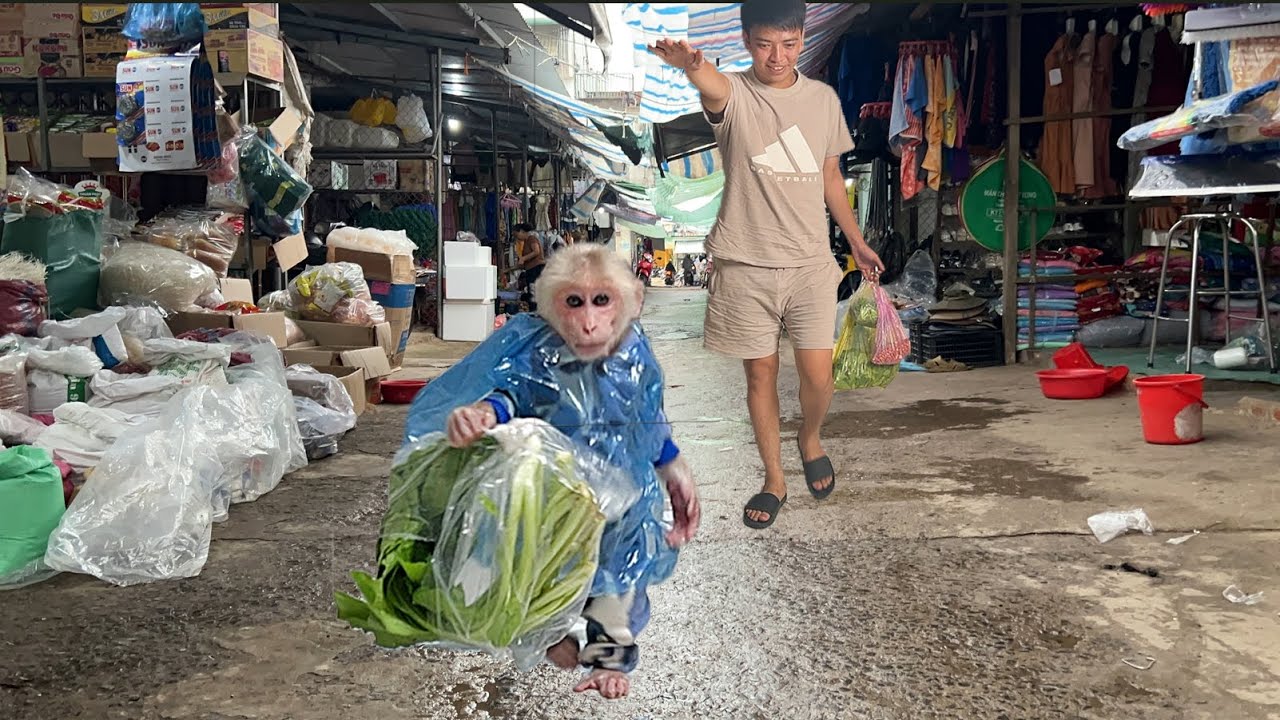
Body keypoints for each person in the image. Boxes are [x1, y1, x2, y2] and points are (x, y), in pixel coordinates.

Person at [412, 244, 700, 700]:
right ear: (549, 309)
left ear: (632, 303)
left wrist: (675, 471)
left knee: (619, 576)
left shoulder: (637, 354)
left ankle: (608, 657)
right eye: (574, 302)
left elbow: (648, 421)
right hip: (554, 489)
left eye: (602, 301)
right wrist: (482, 414)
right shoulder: (540, 351)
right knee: (535, 568)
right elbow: (513, 394)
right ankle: (546, 633)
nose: (589, 323)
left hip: (620, 496)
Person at [650, 0, 884, 530]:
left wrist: (857, 240)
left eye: (789, 43)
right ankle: (774, 477)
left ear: (802, 39)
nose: (777, 56)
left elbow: (830, 178)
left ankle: (811, 434)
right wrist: (690, 65)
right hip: (744, 263)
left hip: (809, 264)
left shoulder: (823, 99)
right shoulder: (733, 94)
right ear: (746, 40)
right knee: (761, 374)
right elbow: (709, 83)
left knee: (818, 376)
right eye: (763, 44)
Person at [514, 223, 545, 310]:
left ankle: (535, 312)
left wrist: (523, 258)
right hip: (531, 270)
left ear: (522, 232)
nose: (517, 238)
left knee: (533, 292)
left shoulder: (531, 238)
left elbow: (536, 251)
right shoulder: (526, 241)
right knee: (532, 292)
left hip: (536, 269)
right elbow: (523, 264)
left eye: (517, 235)